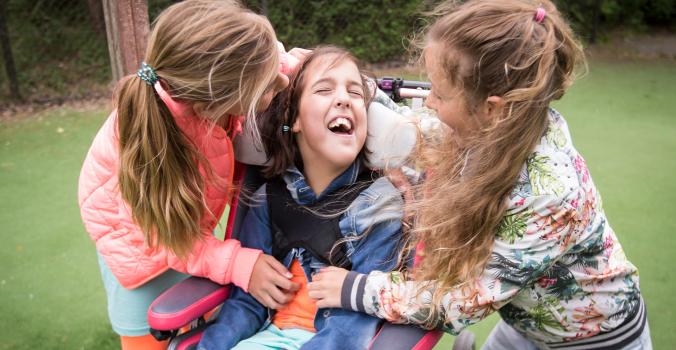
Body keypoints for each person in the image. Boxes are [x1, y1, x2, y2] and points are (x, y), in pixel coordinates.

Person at [307, 1, 652, 349]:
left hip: (591, 340)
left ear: (492, 108)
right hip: (525, 322)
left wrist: (356, 288)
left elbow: (460, 301)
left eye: (439, 94)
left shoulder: (549, 194)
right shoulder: (500, 125)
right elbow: (419, 129)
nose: (429, 102)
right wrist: (334, 80)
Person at [77, 1, 303, 349]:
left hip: (180, 225)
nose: (282, 81)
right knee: (151, 329)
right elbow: (173, 237)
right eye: (268, 85)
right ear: (220, 98)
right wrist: (239, 264)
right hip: (139, 243)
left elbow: (270, 64)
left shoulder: (215, 81)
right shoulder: (151, 149)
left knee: (198, 308)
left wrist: (317, 70)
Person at [198, 46, 405, 350]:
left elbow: (352, 328)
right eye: (324, 89)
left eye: (355, 93)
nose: (344, 99)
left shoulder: (380, 208)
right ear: (294, 119)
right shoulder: (267, 199)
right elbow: (246, 305)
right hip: (264, 337)